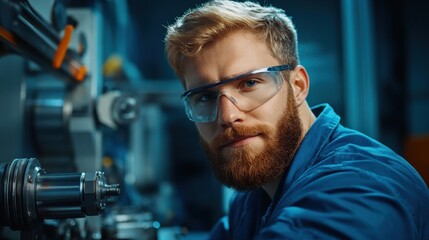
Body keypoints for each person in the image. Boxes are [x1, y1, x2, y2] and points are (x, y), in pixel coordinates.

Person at [164, 0, 429, 239]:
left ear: (298, 85)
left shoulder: (362, 187)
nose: (227, 116)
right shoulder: (253, 199)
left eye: (249, 83)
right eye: (205, 97)